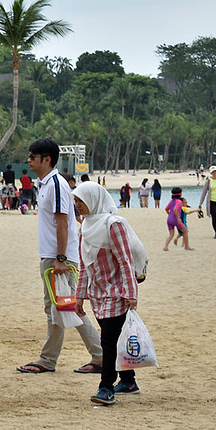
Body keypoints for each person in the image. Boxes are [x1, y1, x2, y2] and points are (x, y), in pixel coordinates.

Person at [17, 139, 103, 375]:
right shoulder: (44, 183)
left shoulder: (56, 184)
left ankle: (92, 355)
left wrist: (61, 258)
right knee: (58, 307)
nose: (29, 160)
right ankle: (55, 358)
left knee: (66, 307)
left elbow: (63, 221)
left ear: (47, 160)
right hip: (51, 254)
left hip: (58, 257)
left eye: (32, 157)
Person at [72, 182, 141, 405]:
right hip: (98, 294)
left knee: (108, 340)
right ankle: (128, 381)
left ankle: (106, 387)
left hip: (117, 293)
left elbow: (125, 260)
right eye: (76, 201)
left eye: (81, 200)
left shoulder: (114, 225)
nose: (78, 205)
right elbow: (84, 266)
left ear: (93, 199)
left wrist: (131, 293)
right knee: (116, 337)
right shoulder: (85, 227)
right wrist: (80, 296)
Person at [197, 165, 216, 239]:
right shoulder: (208, 181)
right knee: (214, 217)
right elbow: (204, 193)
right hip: (212, 202)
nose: (215, 173)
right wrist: (200, 203)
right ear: (211, 173)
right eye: (213, 172)